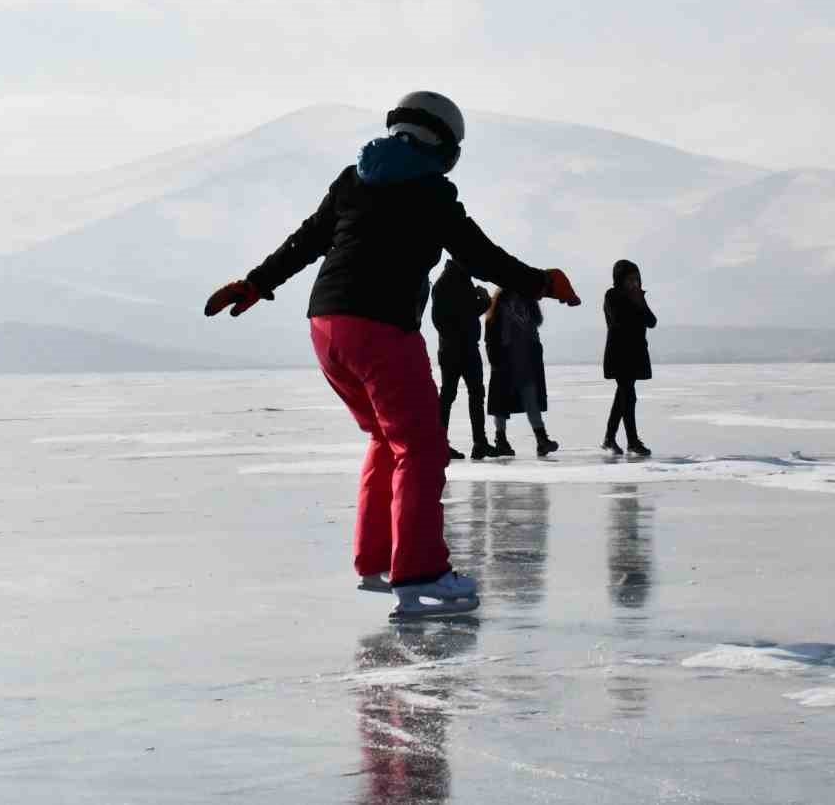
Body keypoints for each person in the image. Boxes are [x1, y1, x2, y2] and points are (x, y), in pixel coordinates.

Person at [202, 91, 581, 619]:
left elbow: (308, 239)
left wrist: (255, 283)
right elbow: (480, 255)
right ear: (444, 143)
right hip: (381, 330)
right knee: (422, 448)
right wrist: (541, 282)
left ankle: (375, 561)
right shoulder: (432, 193)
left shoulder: (352, 178)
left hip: (326, 327)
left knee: (386, 437)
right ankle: (421, 573)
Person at [430, 259, 493, 460]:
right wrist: (485, 299)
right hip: (459, 349)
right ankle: (455, 444)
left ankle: (475, 443)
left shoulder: (455, 280)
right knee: (456, 395)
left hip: (455, 348)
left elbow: (452, 316)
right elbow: (465, 312)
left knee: (460, 394)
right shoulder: (450, 282)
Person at [485, 287, 558, 457]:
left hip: (525, 361)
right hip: (505, 362)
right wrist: (495, 359)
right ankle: (501, 439)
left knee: (530, 399)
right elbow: (491, 336)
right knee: (501, 404)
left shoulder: (527, 303)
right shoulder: (499, 306)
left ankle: (541, 439)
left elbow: (533, 328)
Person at [602, 259, 656, 456]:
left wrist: (640, 301)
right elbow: (617, 321)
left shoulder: (638, 298)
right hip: (619, 354)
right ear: (620, 279)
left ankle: (609, 438)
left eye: (636, 278)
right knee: (628, 396)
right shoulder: (612, 295)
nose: (634, 282)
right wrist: (633, 302)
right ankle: (632, 441)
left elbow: (652, 322)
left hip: (635, 353)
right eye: (630, 279)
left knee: (623, 396)